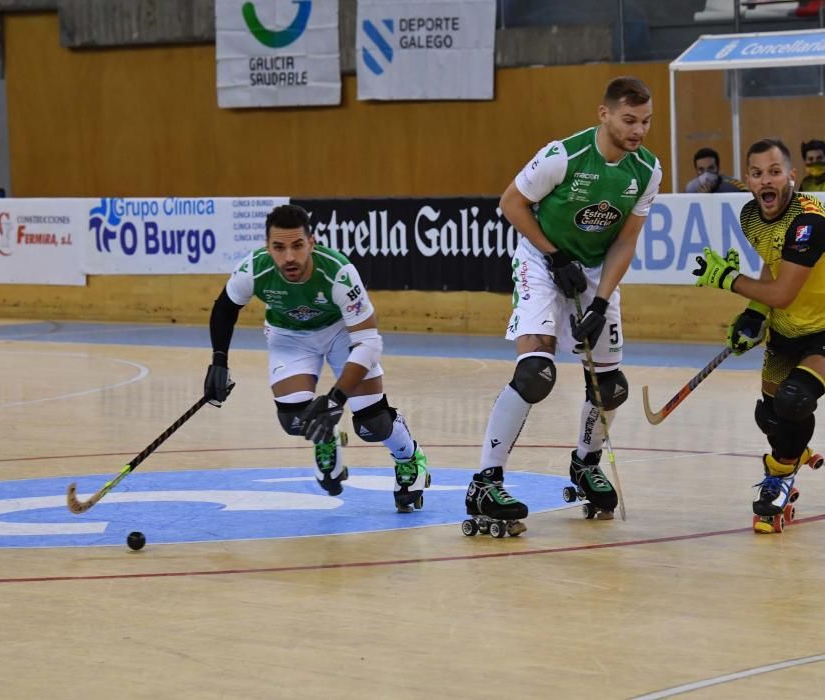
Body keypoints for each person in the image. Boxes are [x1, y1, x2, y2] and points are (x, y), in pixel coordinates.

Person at [464, 76, 662, 535]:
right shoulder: (563, 155)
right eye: (629, 120)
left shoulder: (648, 170)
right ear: (604, 114)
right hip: (541, 259)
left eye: (646, 122)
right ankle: (485, 480)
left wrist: (600, 301)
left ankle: (585, 464)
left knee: (610, 388)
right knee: (536, 374)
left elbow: (626, 241)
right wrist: (554, 256)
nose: (638, 130)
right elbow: (511, 204)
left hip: (594, 269)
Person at [204, 204, 430, 512]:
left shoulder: (338, 273)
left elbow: (368, 342)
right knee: (294, 420)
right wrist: (219, 361)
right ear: (267, 247)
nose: (289, 258)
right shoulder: (254, 269)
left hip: (342, 334)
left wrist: (335, 399)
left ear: (312, 242)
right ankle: (327, 438)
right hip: (290, 336)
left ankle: (408, 457)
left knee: (372, 423)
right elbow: (225, 308)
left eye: (297, 246)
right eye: (279, 247)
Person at [692, 137, 825, 534]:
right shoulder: (751, 216)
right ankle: (791, 453)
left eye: (774, 172)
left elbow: (783, 292)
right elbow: (773, 270)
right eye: (756, 174)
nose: (765, 180)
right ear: (748, 181)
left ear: (791, 175)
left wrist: (729, 279)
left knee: (794, 400)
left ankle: (779, 478)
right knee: (769, 417)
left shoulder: (809, 223)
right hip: (786, 330)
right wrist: (754, 316)